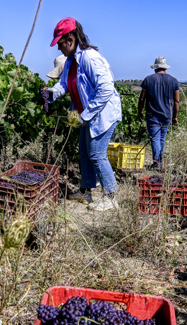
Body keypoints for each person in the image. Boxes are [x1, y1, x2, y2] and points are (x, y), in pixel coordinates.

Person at [41, 17, 122, 211]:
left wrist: (85, 116)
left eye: (60, 43)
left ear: (70, 39)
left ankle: (111, 196)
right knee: (85, 153)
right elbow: (63, 86)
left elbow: (106, 89)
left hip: (102, 114)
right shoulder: (70, 61)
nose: (58, 48)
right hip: (86, 115)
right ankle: (86, 191)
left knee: (96, 154)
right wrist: (49, 94)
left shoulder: (89, 58)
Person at [137, 56, 180, 170]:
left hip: (152, 115)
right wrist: (175, 116)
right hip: (166, 114)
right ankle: (159, 162)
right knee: (161, 139)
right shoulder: (173, 81)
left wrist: (139, 112)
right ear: (165, 68)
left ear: (155, 68)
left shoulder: (148, 79)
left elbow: (142, 99)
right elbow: (176, 101)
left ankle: (157, 163)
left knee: (155, 139)